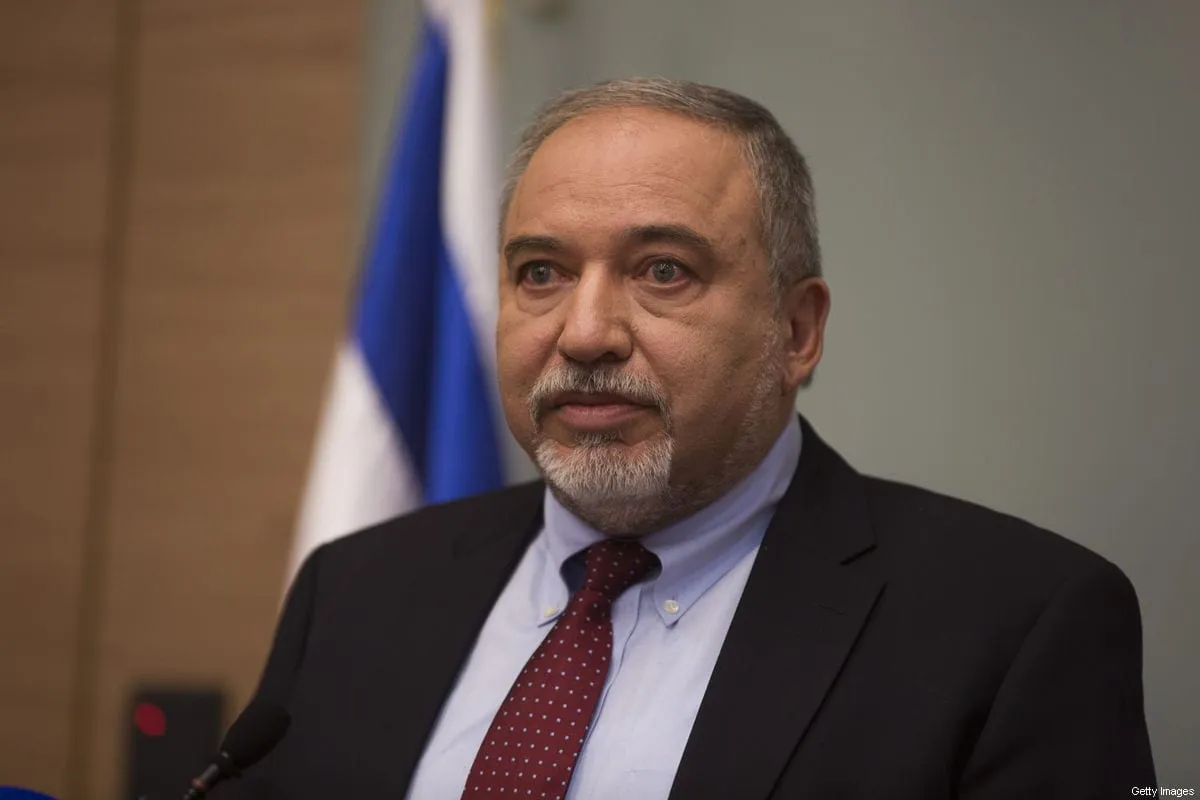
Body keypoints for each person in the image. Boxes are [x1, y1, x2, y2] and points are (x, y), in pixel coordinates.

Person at [217, 78, 1155, 799]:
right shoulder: (355, 588)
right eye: (539, 271)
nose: (583, 333)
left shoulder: (1019, 624)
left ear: (796, 332)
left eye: (663, 270)